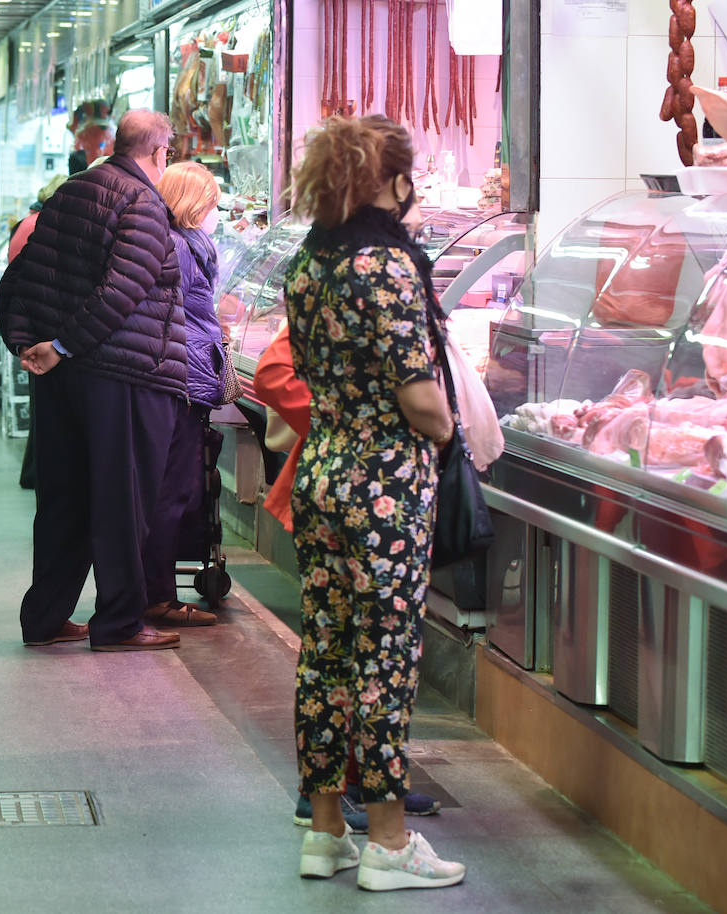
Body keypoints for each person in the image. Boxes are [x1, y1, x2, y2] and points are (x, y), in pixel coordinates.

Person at [282, 115, 465, 890]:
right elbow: (417, 397)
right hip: (384, 484)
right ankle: (389, 842)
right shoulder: (384, 264)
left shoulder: (308, 262)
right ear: (387, 180)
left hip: (323, 468)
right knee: (385, 660)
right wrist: (449, 428)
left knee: (324, 653)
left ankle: (325, 832)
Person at [0, 108, 188, 652]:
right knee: (122, 502)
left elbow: (20, 278)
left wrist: (29, 344)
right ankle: (120, 623)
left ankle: (46, 618)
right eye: (168, 150)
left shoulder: (71, 191)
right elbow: (124, 291)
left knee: (64, 500)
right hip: (121, 375)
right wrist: (61, 345)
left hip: (63, 380)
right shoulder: (143, 202)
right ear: (158, 151)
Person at [255, 322, 443, 833]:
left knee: (333, 651)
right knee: (380, 654)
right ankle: (381, 828)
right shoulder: (378, 275)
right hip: (374, 490)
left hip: (337, 483)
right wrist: (427, 427)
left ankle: (340, 807)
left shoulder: (325, 268)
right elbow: (274, 373)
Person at [138, 162, 226, 628]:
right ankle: (158, 598)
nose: (216, 213)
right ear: (196, 204)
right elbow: (180, 316)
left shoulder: (179, 244)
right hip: (181, 382)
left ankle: (155, 592)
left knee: (172, 492)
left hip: (179, 377)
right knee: (172, 493)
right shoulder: (182, 248)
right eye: (212, 203)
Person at [7, 173, 70, 492]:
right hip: (49, 339)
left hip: (37, 336)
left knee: (42, 417)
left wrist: (18, 340)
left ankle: (34, 472)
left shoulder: (30, 223)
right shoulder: (47, 227)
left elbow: (12, 286)